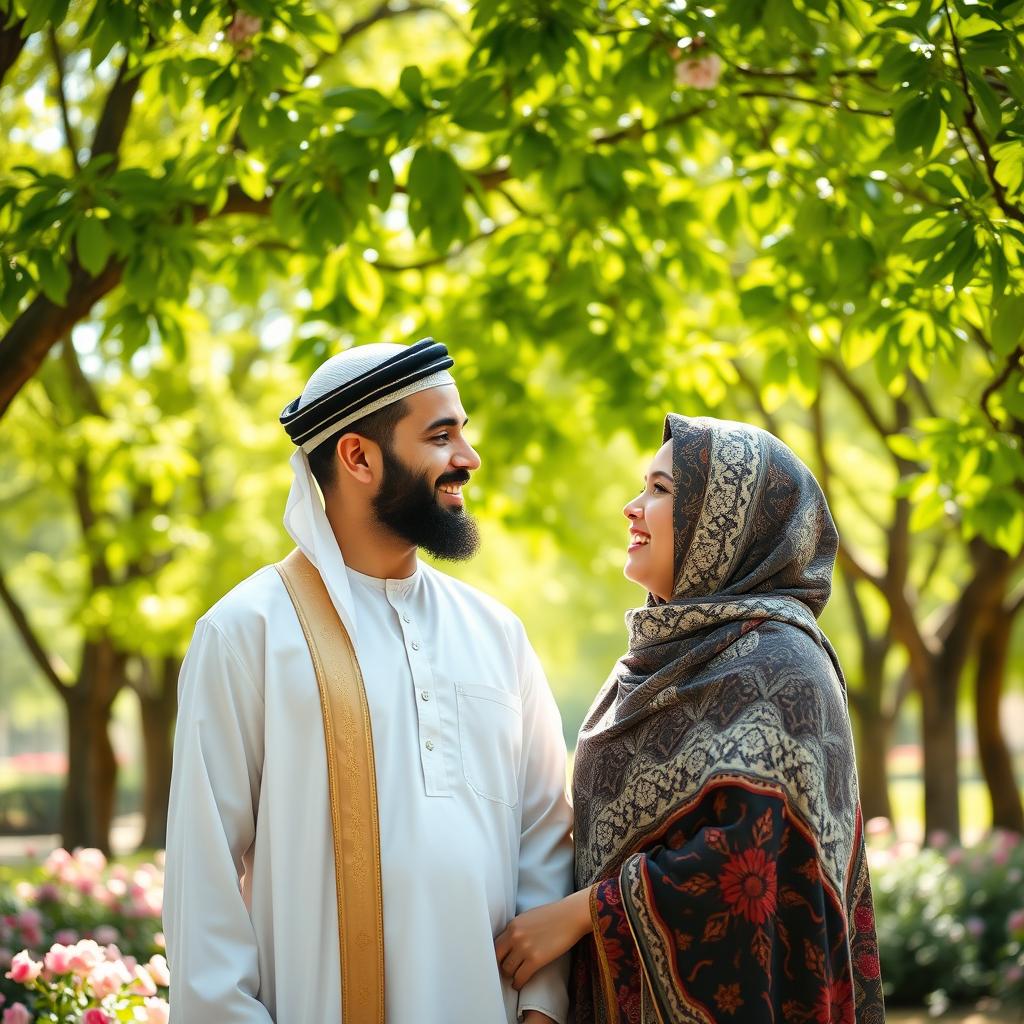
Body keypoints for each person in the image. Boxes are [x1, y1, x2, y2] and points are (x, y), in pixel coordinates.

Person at [165, 339, 573, 1024]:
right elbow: (202, 884)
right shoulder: (246, 633)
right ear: (357, 456)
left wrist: (542, 1007)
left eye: (462, 433)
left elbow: (545, 834)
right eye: (441, 436)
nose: (467, 459)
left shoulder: (496, 632)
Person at [495, 414, 884, 1024]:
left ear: (725, 525)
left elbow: (752, 868)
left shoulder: (783, 667)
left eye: (659, 490)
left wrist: (581, 915)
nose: (631, 507)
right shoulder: (651, 665)